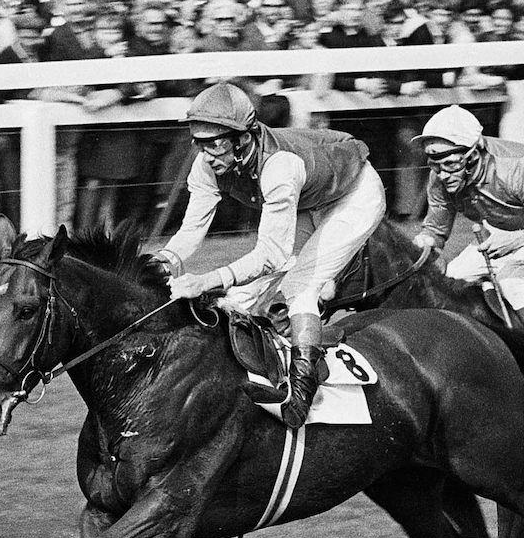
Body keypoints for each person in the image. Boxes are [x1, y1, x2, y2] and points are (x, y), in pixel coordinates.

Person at [157, 82, 387, 429]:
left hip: (354, 194)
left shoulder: (279, 167)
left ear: (243, 137)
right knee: (241, 297)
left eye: (215, 143)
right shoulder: (206, 165)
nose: (206, 155)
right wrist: (165, 259)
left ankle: (301, 395)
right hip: (310, 198)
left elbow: (273, 256)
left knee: (299, 287)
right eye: (199, 143)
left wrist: (205, 280)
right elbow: (190, 233)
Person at [409, 105, 524, 367]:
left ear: (473, 155)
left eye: (450, 164)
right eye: (434, 165)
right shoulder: (439, 178)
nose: (442, 174)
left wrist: (520, 239)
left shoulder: (516, 168)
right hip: (503, 232)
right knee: (448, 283)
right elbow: (435, 231)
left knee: (509, 280)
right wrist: (422, 245)